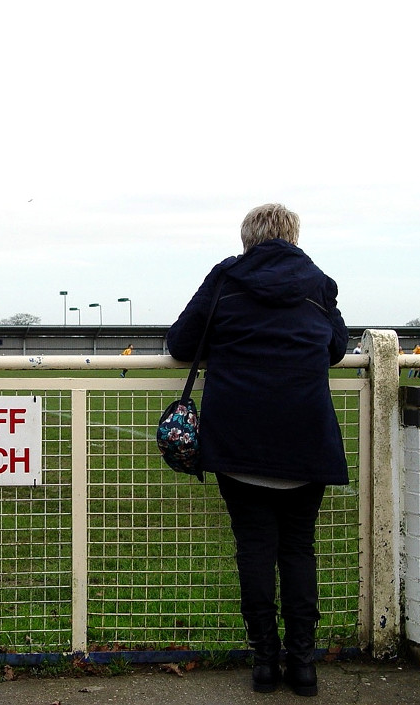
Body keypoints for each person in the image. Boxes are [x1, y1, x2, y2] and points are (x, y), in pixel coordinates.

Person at [166, 204, 348, 697]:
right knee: (298, 548)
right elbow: (336, 348)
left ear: (247, 239)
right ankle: (304, 666)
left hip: (238, 439)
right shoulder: (319, 282)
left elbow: (182, 343)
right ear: (292, 236)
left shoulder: (226, 278)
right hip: (306, 437)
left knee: (254, 548)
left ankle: (265, 662)